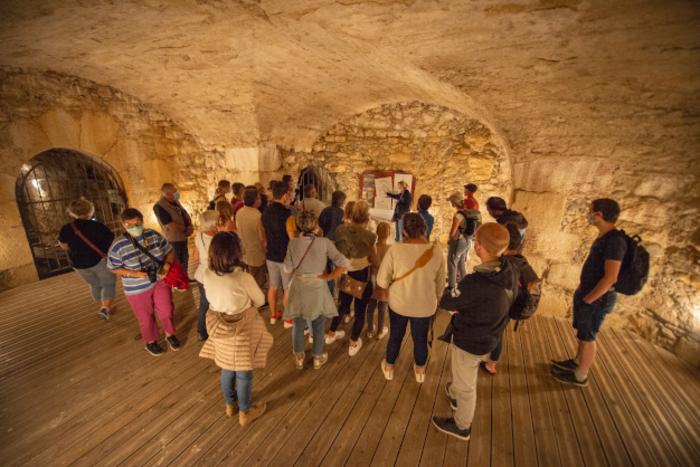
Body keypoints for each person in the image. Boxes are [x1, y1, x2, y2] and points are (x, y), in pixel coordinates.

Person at [432, 223, 516, 441]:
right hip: (491, 335)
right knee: (462, 374)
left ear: (478, 246)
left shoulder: (475, 282)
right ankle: (453, 394)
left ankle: (462, 426)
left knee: (467, 385)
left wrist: (457, 300)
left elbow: (448, 300)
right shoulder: (508, 270)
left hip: (470, 340)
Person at [551, 198, 626, 387]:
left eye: (590, 211)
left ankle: (580, 376)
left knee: (588, 337)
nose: (588, 214)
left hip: (597, 299)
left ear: (599, 215)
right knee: (584, 333)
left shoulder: (615, 241)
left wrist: (589, 299)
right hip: (590, 295)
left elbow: (611, 277)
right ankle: (577, 362)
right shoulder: (606, 237)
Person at [199, 232, 271, 427]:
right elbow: (260, 300)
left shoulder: (206, 274)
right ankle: (245, 412)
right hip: (242, 329)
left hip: (218, 325)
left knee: (227, 367)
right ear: (236, 253)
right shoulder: (243, 277)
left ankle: (230, 405)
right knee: (244, 371)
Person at [377, 213, 446, 383]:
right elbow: (440, 285)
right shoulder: (436, 252)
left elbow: (381, 281)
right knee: (420, 338)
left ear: (405, 232)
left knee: (395, 335)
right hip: (424, 306)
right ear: (425, 229)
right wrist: (437, 300)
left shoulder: (395, 250)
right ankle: (420, 371)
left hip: (399, 304)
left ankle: (389, 367)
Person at [108, 208, 181, 356]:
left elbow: (169, 250)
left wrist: (167, 264)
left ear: (142, 221)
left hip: (159, 280)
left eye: (138, 223)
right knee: (145, 317)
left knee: (166, 310)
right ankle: (150, 341)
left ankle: (170, 334)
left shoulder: (152, 235)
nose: (135, 227)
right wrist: (133, 274)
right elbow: (113, 267)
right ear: (124, 225)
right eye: (130, 225)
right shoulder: (118, 245)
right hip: (136, 288)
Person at [283, 210, 350, 370]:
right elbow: (344, 262)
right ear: (316, 226)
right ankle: (318, 358)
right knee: (319, 324)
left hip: (299, 286)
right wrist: (330, 276)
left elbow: (287, 268)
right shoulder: (324, 242)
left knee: (298, 323)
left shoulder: (293, 243)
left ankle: (299, 357)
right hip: (318, 286)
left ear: (299, 227)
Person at [481, 224, 538, 375]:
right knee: (498, 331)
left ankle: (491, 363)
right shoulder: (522, 261)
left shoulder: (505, 265)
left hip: (506, 305)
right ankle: (491, 361)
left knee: (496, 332)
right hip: (515, 304)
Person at [325, 201, 377, 357]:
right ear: (367, 218)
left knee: (342, 305)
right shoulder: (370, 236)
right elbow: (374, 258)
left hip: (344, 272)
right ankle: (353, 342)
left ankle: (331, 333)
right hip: (362, 275)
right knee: (360, 311)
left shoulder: (340, 230)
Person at [58, 197, 116, 320]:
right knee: (108, 284)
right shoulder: (98, 226)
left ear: (73, 212)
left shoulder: (66, 228)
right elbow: (112, 242)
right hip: (99, 261)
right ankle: (105, 308)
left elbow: (64, 246)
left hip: (78, 264)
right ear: (90, 210)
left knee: (94, 285)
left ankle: (102, 305)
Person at [261, 181, 294, 326]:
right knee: (287, 288)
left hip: (270, 255)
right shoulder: (287, 214)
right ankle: (288, 319)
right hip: (285, 256)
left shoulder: (265, 211)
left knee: (273, 287)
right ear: (285, 195)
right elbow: (292, 237)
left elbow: (263, 232)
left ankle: (273, 316)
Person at [153, 182, 193, 271]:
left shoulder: (175, 202)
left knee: (185, 258)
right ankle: (177, 282)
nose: (177, 193)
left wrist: (190, 226)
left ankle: (184, 279)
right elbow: (169, 224)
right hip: (173, 239)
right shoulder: (159, 206)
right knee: (176, 261)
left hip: (183, 236)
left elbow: (184, 213)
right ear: (167, 194)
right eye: (174, 192)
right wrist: (185, 229)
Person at [193, 210, 219, 341]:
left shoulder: (199, 236)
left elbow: (195, 257)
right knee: (212, 303)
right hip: (213, 276)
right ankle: (204, 329)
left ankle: (202, 330)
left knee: (205, 303)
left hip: (201, 275)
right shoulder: (217, 238)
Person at [236, 186, 267, 290]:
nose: (260, 200)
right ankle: (257, 301)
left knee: (249, 276)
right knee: (258, 279)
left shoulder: (239, 212)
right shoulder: (258, 216)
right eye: (259, 198)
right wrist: (265, 251)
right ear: (255, 200)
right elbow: (262, 238)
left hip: (244, 250)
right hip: (256, 252)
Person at [365, 221, 392, 339]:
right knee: (383, 307)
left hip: (372, 279)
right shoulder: (391, 249)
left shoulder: (372, 247)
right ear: (389, 234)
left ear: (376, 233)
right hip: (385, 281)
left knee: (370, 306)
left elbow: (368, 261)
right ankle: (380, 331)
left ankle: (370, 330)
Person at [446, 193, 470, 298]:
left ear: (454, 202)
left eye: (451, 201)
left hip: (458, 241)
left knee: (451, 263)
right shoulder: (468, 212)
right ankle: (464, 286)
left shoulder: (458, 215)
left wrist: (449, 240)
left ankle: (451, 287)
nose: (450, 203)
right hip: (467, 241)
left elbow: (453, 231)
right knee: (461, 263)